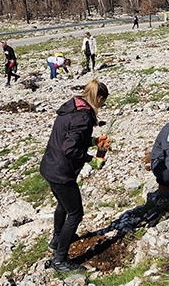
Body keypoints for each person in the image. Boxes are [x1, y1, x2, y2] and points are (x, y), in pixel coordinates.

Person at [39, 79, 110, 272]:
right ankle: (60, 260)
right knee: (75, 213)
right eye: (102, 103)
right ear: (99, 98)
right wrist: (91, 160)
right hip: (61, 171)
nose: (101, 107)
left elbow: (69, 137)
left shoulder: (73, 107)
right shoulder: (83, 117)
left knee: (63, 204)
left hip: (49, 166)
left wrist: (93, 140)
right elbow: (70, 149)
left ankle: (57, 239)